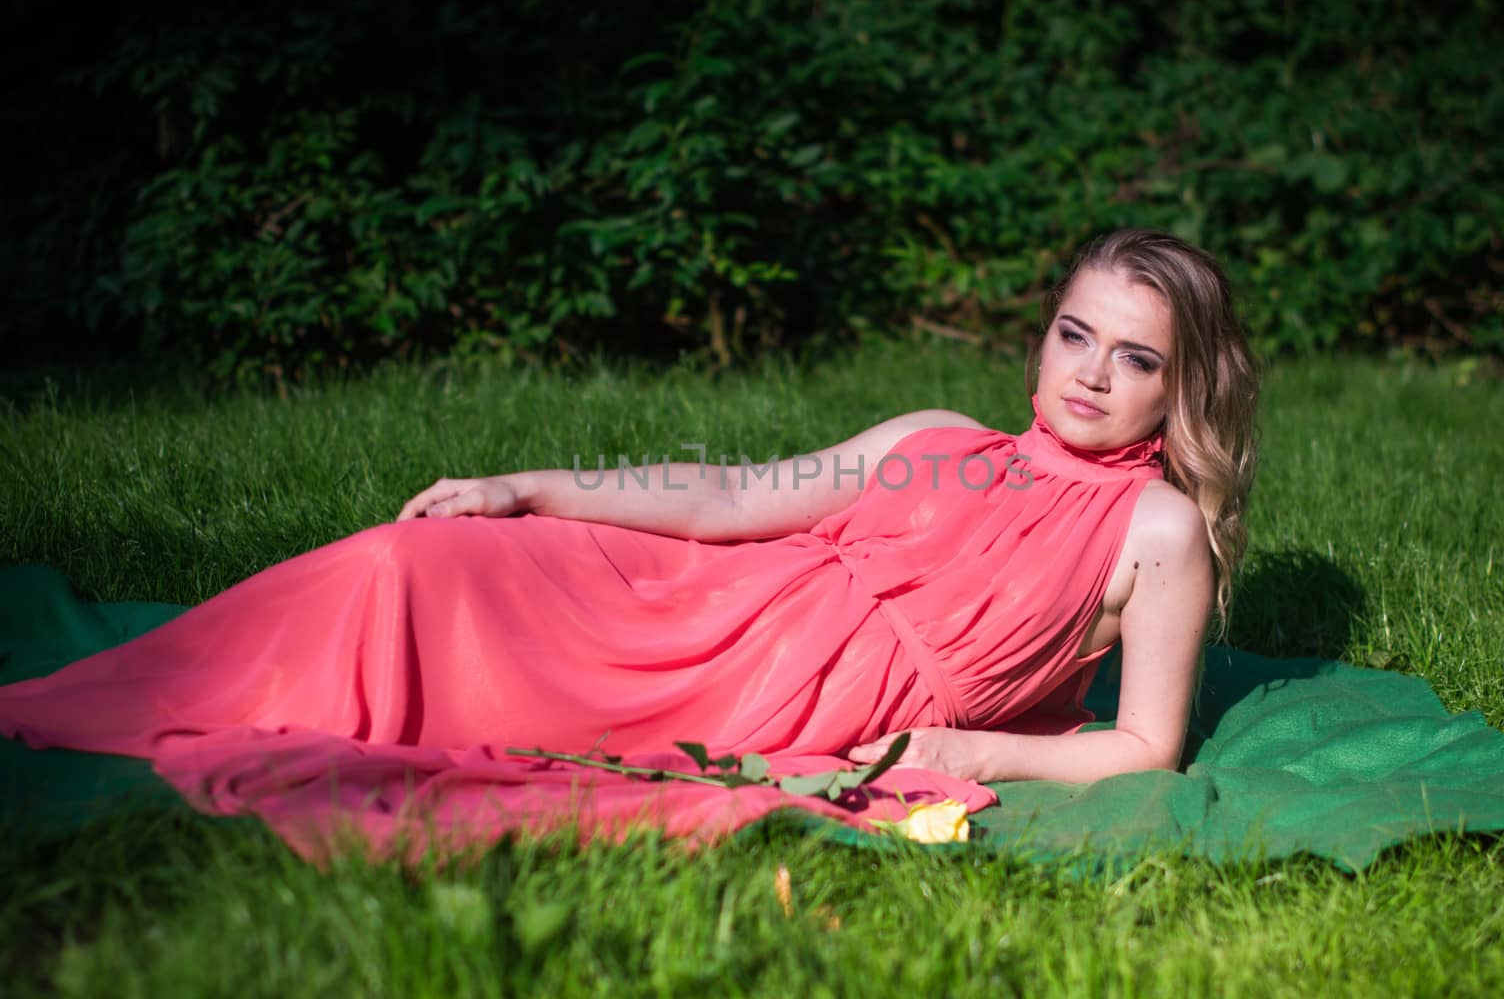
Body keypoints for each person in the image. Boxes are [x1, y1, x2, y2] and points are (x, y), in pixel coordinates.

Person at [0, 228, 1257, 848]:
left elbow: (1147, 745)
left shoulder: (1156, 529)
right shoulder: (936, 434)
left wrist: (957, 742)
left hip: (774, 700)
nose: (1090, 373)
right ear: (1041, 333)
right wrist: (527, 484)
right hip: (683, 597)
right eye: (1073, 333)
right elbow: (726, 498)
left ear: (1179, 384)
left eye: (1135, 355)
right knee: (417, 558)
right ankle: (107, 697)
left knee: (451, 696)